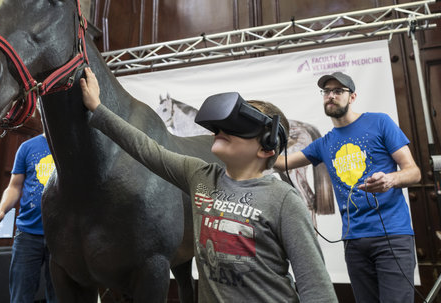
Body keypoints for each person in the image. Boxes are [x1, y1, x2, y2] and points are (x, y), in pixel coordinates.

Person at [80, 67, 338, 302]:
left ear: (266, 148)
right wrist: (98, 108)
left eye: (238, 126)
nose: (221, 130)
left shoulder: (283, 200)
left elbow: (316, 287)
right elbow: (146, 149)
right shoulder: (200, 176)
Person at [274, 71, 421, 303]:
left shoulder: (379, 122)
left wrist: (390, 180)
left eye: (338, 91)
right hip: (353, 242)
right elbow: (281, 163)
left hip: (391, 236)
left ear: (352, 97)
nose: (331, 96)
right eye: (327, 92)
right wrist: (259, 139)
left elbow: (414, 172)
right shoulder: (324, 143)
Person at [0, 133, 57, 303]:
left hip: (61, 237)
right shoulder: (27, 147)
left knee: (59, 297)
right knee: (20, 297)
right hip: (28, 234)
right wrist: (2, 210)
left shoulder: (72, 143)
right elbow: (14, 187)